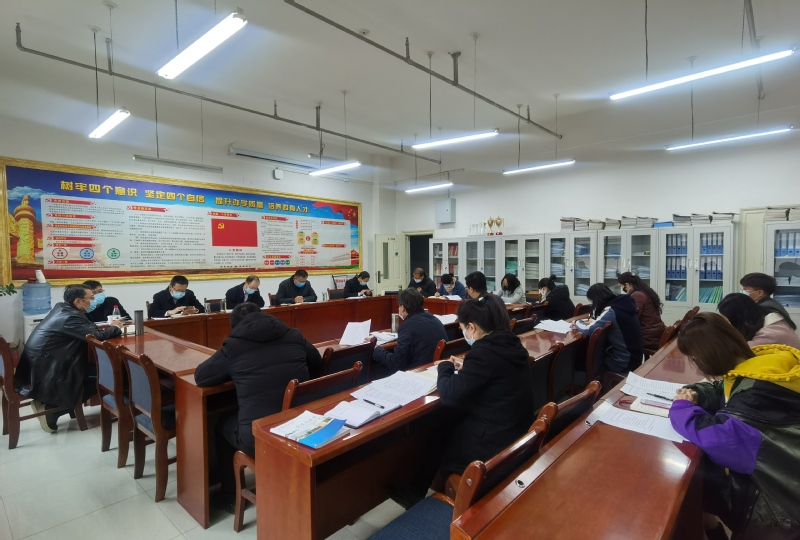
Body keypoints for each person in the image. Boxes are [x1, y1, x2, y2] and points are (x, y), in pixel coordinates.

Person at [669, 312, 800, 540]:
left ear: (704, 357)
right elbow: (726, 389)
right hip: (786, 471)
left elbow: (718, 438)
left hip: (778, 506)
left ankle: (709, 528)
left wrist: (681, 409)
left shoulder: (753, 400)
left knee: (695, 480)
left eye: (693, 359)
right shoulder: (764, 363)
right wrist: (698, 393)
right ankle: (710, 526)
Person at [194, 302, 322, 513]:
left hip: (260, 436)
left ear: (235, 327)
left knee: (221, 425)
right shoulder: (294, 335)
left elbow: (201, 376)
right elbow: (316, 363)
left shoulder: (233, 346)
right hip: (303, 425)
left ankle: (229, 496)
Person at [436, 296, 536, 477]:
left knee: (437, 434)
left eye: (463, 330)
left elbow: (449, 395)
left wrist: (444, 367)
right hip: (517, 431)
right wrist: (468, 367)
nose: (464, 334)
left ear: (472, 327)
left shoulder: (482, 353)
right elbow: (495, 370)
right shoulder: (511, 343)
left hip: (492, 444)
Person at [14, 284, 123, 433]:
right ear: (78, 301)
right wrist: (116, 327)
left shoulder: (64, 310)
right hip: (48, 370)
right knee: (109, 375)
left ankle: (57, 405)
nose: (94, 301)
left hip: (44, 364)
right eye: (91, 298)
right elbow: (96, 337)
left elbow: (90, 329)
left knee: (102, 371)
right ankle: (53, 410)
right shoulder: (69, 317)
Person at [373, 289, 447, 372]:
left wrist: (376, 349)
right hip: (434, 368)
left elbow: (396, 362)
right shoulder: (435, 319)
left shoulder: (406, 326)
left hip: (418, 372)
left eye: (399, 306)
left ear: (403, 308)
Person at [574, 284, 643, 373]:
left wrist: (576, 322)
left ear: (596, 300)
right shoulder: (622, 304)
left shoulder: (611, 310)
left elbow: (589, 330)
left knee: (582, 358)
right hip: (635, 358)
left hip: (622, 362)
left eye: (593, 302)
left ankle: (585, 379)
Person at [717, 293, 800, 349]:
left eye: (728, 321)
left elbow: (742, 353)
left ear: (738, 319)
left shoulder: (769, 334)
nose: (727, 324)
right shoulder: (763, 316)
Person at [617, 272, 666, 351]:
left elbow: (633, 318)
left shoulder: (637, 295)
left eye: (621, 285)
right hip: (654, 333)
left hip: (648, 337)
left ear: (627, 284)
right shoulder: (645, 291)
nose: (622, 287)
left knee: (615, 340)